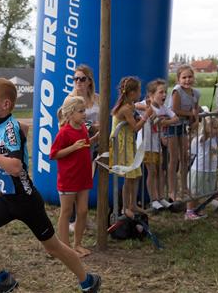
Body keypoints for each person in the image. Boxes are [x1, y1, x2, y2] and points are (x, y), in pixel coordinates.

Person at [0, 78, 101, 293]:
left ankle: (88, 281)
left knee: (53, 247)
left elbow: (15, 167)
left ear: (6, 105)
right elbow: (22, 129)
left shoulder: (9, 129)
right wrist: (22, 132)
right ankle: (2, 280)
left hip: (26, 201)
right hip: (8, 199)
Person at [50, 96, 97, 258]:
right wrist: (72, 148)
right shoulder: (64, 132)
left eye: (85, 111)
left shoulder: (83, 127)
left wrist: (92, 140)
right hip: (68, 178)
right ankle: (65, 247)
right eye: (81, 111)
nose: (85, 114)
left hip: (83, 176)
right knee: (66, 211)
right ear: (70, 114)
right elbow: (54, 154)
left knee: (83, 211)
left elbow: (83, 145)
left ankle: (78, 244)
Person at [109, 76, 153, 214]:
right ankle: (125, 207)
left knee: (135, 175)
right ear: (132, 93)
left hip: (128, 143)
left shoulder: (130, 105)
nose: (140, 93)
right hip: (122, 145)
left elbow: (137, 108)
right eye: (139, 90)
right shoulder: (125, 108)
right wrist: (146, 115)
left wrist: (147, 106)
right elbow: (135, 128)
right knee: (129, 176)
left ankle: (132, 204)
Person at [64, 64, 99, 232]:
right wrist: (87, 127)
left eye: (82, 78)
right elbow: (63, 124)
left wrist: (95, 127)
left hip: (94, 144)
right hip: (76, 145)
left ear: (90, 81)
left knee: (86, 182)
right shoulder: (70, 99)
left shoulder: (97, 98)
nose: (78, 81)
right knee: (75, 182)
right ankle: (72, 219)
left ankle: (82, 218)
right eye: (75, 78)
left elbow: (103, 120)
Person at [136, 79, 179, 211]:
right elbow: (135, 105)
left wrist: (165, 122)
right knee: (152, 171)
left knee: (160, 171)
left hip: (156, 144)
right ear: (151, 94)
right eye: (161, 92)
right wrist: (147, 109)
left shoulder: (164, 107)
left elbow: (175, 118)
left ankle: (161, 197)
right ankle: (153, 199)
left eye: (165, 92)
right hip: (145, 144)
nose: (164, 95)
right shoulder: (147, 104)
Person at [166, 64, 200, 205]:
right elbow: (175, 110)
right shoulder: (177, 91)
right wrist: (191, 114)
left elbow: (195, 110)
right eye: (184, 77)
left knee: (185, 158)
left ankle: (184, 187)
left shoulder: (196, 93)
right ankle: (172, 191)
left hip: (184, 126)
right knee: (174, 159)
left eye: (190, 77)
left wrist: (196, 120)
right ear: (178, 79)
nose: (187, 80)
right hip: (172, 125)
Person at [185, 116, 218, 220]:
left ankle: (195, 209)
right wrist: (208, 129)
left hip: (209, 170)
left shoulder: (215, 138)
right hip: (200, 169)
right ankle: (189, 211)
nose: (217, 130)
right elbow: (203, 137)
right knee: (194, 191)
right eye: (215, 128)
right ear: (207, 128)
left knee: (200, 192)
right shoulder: (202, 138)